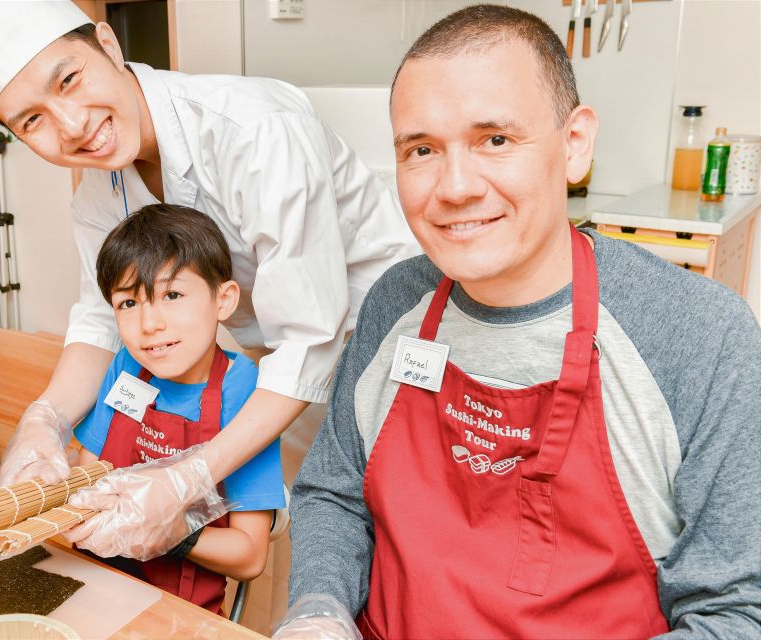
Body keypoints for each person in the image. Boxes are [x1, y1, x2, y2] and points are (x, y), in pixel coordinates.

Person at [278, 5, 761, 639]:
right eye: (421, 149)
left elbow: (734, 612)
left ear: (575, 144)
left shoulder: (700, 335)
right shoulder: (395, 302)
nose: (454, 187)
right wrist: (318, 611)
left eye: (495, 140)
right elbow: (334, 493)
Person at [0, 0, 416, 574]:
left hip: (397, 345)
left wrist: (186, 477)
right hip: (285, 368)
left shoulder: (253, 127)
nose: (70, 125)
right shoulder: (99, 193)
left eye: (69, 79)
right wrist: (44, 421)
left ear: (110, 47)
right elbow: (97, 319)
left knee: (400, 534)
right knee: (323, 525)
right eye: (30, 120)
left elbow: (311, 336)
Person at [64, 204, 284, 614]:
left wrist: (169, 533)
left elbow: (250, 556)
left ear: (223, 300)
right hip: (95, 587)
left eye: (173, 295)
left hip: (176, 614)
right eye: (128, 303)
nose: (150, 324)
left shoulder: (246, 393)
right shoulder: (127, 367)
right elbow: (87, 468)